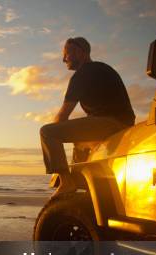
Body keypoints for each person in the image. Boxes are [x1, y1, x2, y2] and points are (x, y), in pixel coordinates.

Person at [40, 37, 135, 197]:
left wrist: (54, 146)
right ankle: (84, 184)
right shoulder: (103, 68)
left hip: (111, 123)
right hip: (124, 123)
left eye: (66, 54)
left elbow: (62, 116)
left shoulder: (82, 75)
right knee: (79, 144)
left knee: (48, 132)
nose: (64, 59)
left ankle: (67, 181)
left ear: (79, 52)